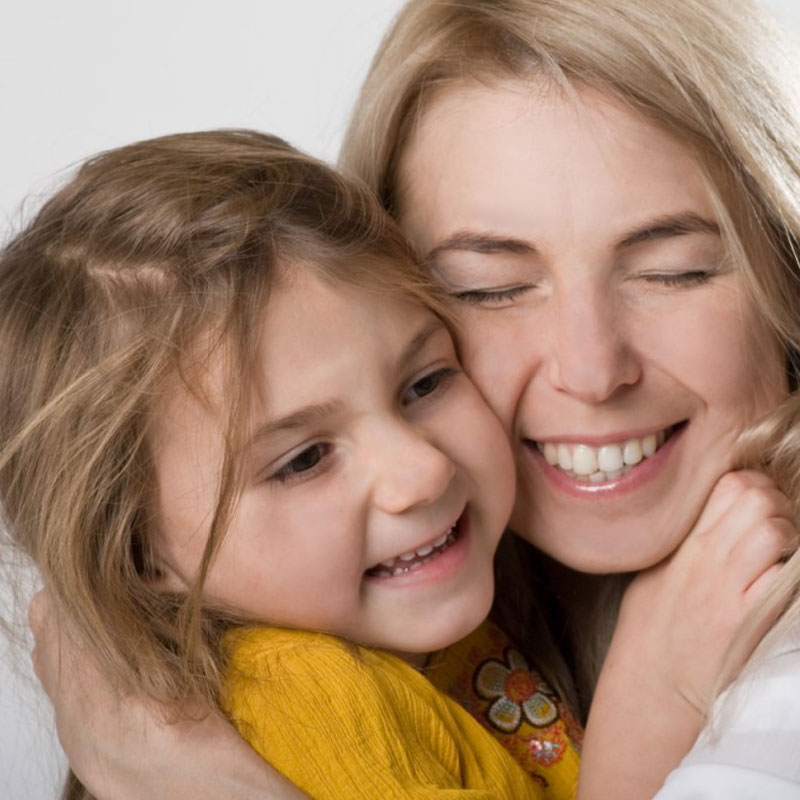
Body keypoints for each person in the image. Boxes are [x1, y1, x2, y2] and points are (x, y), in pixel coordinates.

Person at [26, 0, 800, 796]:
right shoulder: (317, 686)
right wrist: (648, 713)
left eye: (674, 271)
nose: (592, 371)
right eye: (489, 286)